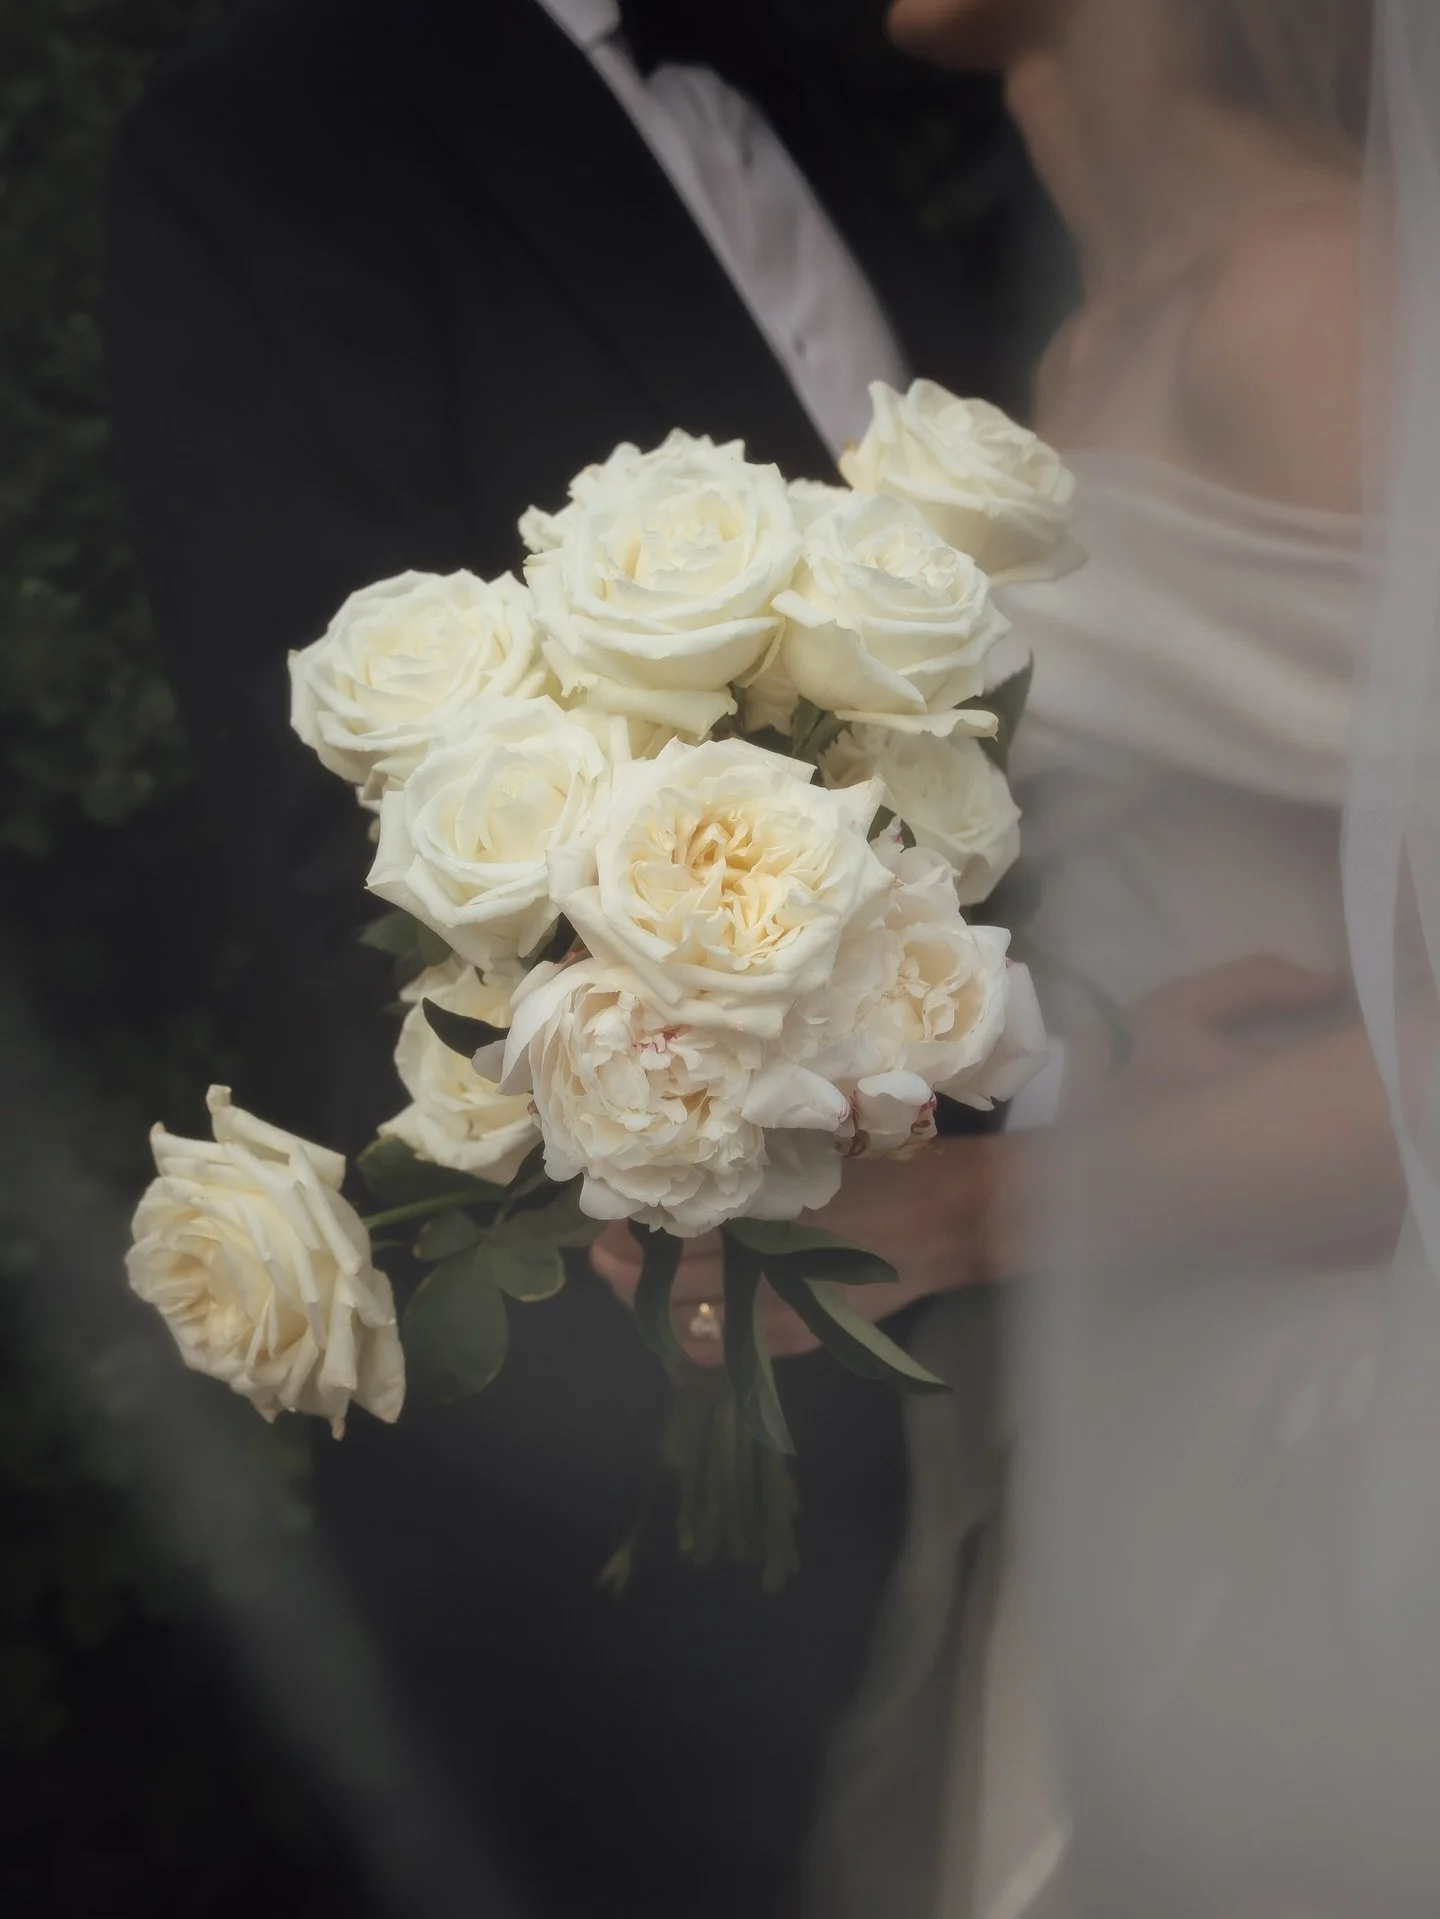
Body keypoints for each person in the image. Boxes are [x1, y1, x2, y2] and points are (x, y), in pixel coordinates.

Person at [103, 4, 1023, 1912]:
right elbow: (338, 826)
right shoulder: (276, 127)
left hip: (1054, 1302)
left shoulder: (810, 77)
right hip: (665, 1384)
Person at [598, 0, 1411, 1912]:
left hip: (1349, 1453)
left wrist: (964, 1215)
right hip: (1132, 1414)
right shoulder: (1091, 341)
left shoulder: (1320, 299)